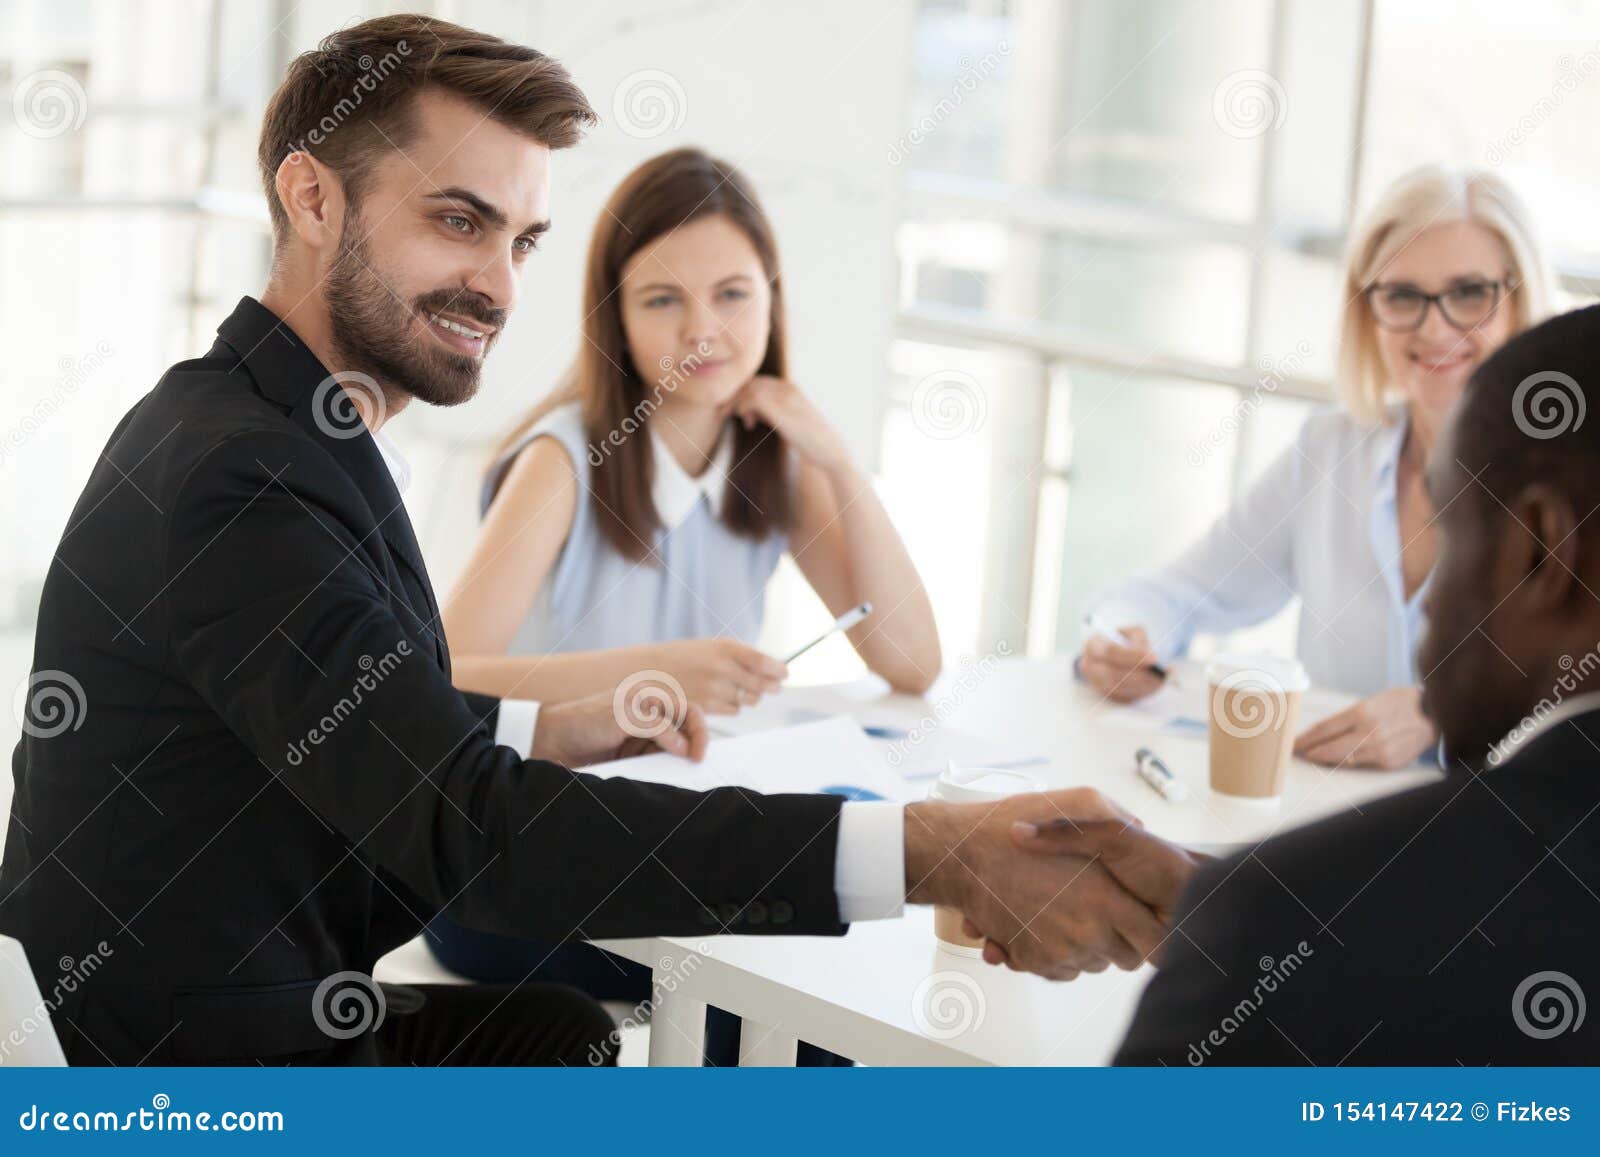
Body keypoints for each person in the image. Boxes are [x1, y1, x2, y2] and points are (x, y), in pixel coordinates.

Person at [0, 14, 1161, 1067]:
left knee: (565, 1035)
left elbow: (350, 710)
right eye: (459, 221)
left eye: (522, 240)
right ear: (312, 200)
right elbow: (473, 833)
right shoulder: (241, 477)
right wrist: (926, 852)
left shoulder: (269, 424)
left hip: (252, 996)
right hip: (188, 1067)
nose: (498, 284)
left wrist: (547, 720)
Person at [425, 148, 941, 1063]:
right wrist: (652, 673)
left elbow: (911, 660)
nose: (704, 329)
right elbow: (445, 678)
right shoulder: (561, 463)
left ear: (772, 303)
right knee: (800, 1013)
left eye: (734, 294)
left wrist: (840, 462)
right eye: (663, 300)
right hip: (514, 868)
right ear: (617, 319)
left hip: (669, 841)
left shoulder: (774, 456)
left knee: (842, 971)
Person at [1010, 303, 1600, 1064]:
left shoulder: (1281, 920)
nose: (1432, 598)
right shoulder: (1296, 909)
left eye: (1450, 532)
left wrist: (1252, 917)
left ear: (1540, 553)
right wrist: (1222, 897)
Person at [1080, 165, 1552, 770]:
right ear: (1367, 309)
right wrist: (1121, 638)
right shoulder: (1332, 450)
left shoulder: (1571, 478)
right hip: (1330, 826)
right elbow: (1180, 594)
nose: (1436, 328)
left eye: (1469, 293)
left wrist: (1444, 716)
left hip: (1499, 843)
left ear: (1520, 302)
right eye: (1403, 295)